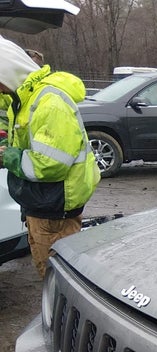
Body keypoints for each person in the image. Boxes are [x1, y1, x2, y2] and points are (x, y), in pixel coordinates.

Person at [0, 35, 100, 278]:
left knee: (58, 280)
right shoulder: (25, 99)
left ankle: (61, 317)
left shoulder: (49, 103)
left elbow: (51, 165)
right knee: (51, 274)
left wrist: (8, 156)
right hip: (42, 204)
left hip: (54, 209)